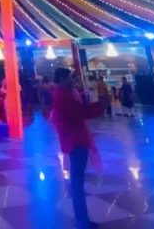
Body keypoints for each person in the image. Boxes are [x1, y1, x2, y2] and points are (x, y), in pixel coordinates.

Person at [51, 68, 108, 229]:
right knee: (77, 182)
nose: (73, 80)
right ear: (62, 79)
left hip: (74, 138)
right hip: (75, 140)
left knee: (77, 181)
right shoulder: (63, 95)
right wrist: (101, 105)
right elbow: (80, 112)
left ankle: (83, 219)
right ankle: (82, 221)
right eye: (69, 77)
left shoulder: (65, 93)